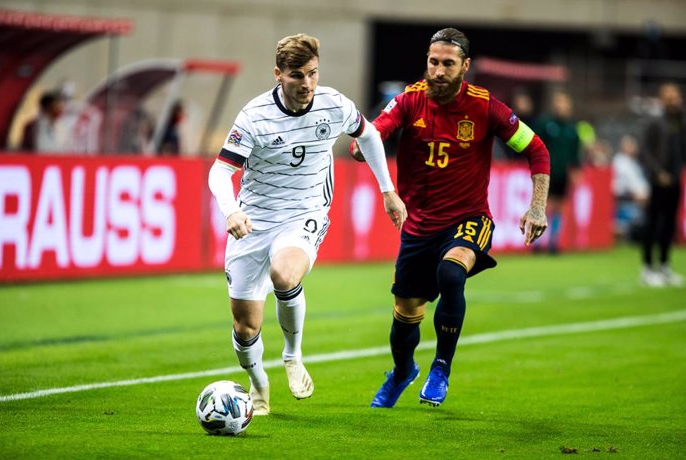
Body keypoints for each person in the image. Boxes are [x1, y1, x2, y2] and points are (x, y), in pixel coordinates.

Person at [208, 34, 407, 416]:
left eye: (313, 74)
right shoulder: (255, 116)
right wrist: (231, 210)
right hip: (255, 218)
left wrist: (388, 190)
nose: (307, 84)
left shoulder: (333, 104)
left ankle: (292, 355)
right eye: (297, 75)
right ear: (278, 74)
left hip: (306, 212)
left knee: (285, 274)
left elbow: (368, 135)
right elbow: (220, 171)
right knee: (245, 326)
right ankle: (258, 385)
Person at [352, 27, 550, 408]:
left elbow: (537, 149)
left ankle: (441, 367)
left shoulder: (485, 106)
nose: (438, 71)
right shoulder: (409, 100)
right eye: (433, 63)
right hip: (417, 225)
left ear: (465, 67)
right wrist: (364, 145)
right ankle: (402, 370)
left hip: (469, 217)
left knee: (451, 272)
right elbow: (375, 134)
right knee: (406, 315)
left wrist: (537, 205)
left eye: (447, 64)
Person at [639, 82, 685, 287]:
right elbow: (645, 150)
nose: (674, 100)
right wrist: (657, 173)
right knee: (653, 222)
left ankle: (665, 265)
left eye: (676, 96)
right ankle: (647, 268)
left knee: (669, 223)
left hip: (675, 178)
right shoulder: (655, 121)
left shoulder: (680, 120)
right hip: (657, 180)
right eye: (670, 96)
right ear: (662, 99)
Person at [534, 89, 582, 253]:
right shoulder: (545, 124)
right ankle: (538, 241)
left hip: (563, 173)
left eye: (564, 103)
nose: (562, 106)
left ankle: (553, 241)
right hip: (546, 173)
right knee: (544, 205)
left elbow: (576, 153)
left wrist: (576, 171)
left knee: (560, 207)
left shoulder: (572, 128)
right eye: (559, 103)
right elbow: (536, 146)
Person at [612, 134, 649, 241]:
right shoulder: (620, 162)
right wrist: (637, 195)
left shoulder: (635, 163)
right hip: (627, 199)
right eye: (630, 145)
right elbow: (622, 185)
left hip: (641, 197)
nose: (633, 148)